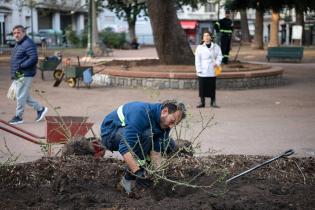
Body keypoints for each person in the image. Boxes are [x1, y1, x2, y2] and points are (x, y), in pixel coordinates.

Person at [100, 100, 186, 194]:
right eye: (172, 121)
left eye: (175, 124)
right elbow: (124, 147)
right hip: (111, 134)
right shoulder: (141, 114)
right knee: (147, 134)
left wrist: (158, 175)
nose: (171, 126)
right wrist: (138, 172)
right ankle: (127, 180)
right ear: (164, 111)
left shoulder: (165, 123)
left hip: (131, 134)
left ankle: (141, 167)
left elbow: (156, 151)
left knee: (169, 143)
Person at [8, 25, 48, 125]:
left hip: (25, 73)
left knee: (21, 95)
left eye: (18, 32)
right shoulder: (19, 43)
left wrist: (21, 65)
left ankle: (18, 116)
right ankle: (40, 109)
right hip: (20, 72)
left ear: (23, 33)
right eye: (14, 33)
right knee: (22, 94)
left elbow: (33, 58)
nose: (16, 35)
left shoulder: (28, 43)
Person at [195, 31, 223, 108]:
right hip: (202, 70)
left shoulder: (216, 47)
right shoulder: (199, 48)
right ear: (203, 38)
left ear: (211, 37)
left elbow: (220, 56)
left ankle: (213, 102)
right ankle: (202, 102)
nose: (206, 37)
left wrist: (217, 63)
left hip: (212, 69)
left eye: (208, 35)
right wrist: (198, 69)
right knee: (202, 86)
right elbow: (197, 59)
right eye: (204, 36)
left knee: (212, 86)